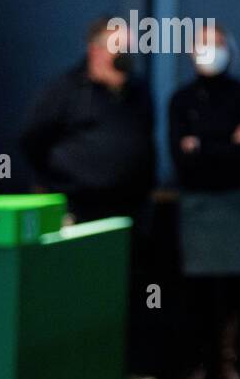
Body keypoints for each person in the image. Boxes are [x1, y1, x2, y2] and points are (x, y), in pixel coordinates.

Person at [169, 23, 240, 379]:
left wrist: (202, 146)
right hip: (197, 205)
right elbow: (181, 159)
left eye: (218, 45)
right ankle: (199, 365)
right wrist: (226, 144)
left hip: (238, 203)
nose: (211, 52)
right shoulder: (181, 99)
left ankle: (231, 365)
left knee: (237, 289)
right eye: (203, 45)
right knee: (197, 291)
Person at [21, 16, 154, 224]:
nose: (125, 56)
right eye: (118, 47)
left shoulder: (139, 90)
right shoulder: (64, 90)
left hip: (130, 209)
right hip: (78, 209)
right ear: (95, 50)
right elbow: (32, 140)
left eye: (128, 48)